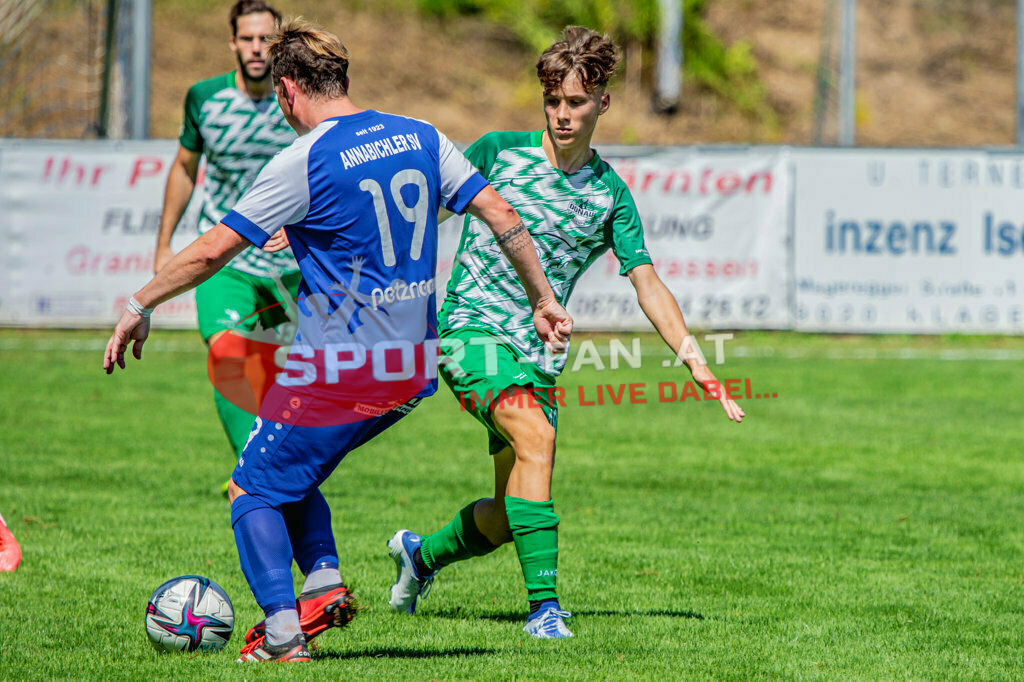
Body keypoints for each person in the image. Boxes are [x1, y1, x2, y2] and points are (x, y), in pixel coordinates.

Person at [103, 18, 572, 663]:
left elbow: (215, 249)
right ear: (344, 80)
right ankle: (322, 585)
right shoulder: (422, 135)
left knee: (251, 489)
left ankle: (283, 636)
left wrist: (139, 302)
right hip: (411, 372)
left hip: (339, 370)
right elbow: (503, 216)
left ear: (288, 90)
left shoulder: (302, 159)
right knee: (291, 470)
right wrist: (543, 300)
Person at [386, 25, 745, 640]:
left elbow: (647, 283)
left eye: (575, 102)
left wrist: (694, 358)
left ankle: (418, 558)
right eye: (552, 100)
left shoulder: (609, 195)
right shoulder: (498, 152)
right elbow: (418, 211)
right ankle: (544, 611)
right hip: (468, 334)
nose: (561, 114)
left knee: (505, 516)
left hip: (537, 356)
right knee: (537, 438)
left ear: (602, 101)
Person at [154, 0, 301, 479]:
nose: (257, 48)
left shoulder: (300, 100)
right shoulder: (205, 98)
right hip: (226, 258)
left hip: (291, 265)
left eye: (266, 39)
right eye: (248, 38)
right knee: (226, 352)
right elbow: (183, 167)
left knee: (284, 381)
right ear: (232, 42)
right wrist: (164, 244)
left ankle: (280, 475)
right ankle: (255, 472)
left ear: (278, 43)